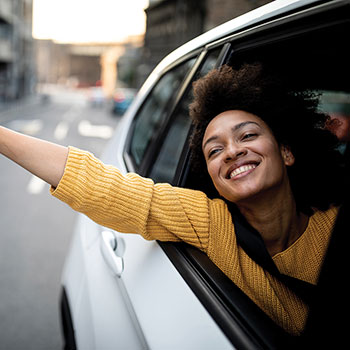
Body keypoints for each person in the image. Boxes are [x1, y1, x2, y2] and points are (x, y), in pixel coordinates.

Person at [0, 63, 345, 338]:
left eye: (248, 136)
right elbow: (104, 187)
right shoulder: (211, 223)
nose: (232, 152)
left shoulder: (331, 222)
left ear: (286, 152)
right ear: (212, 177)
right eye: (215, 150)